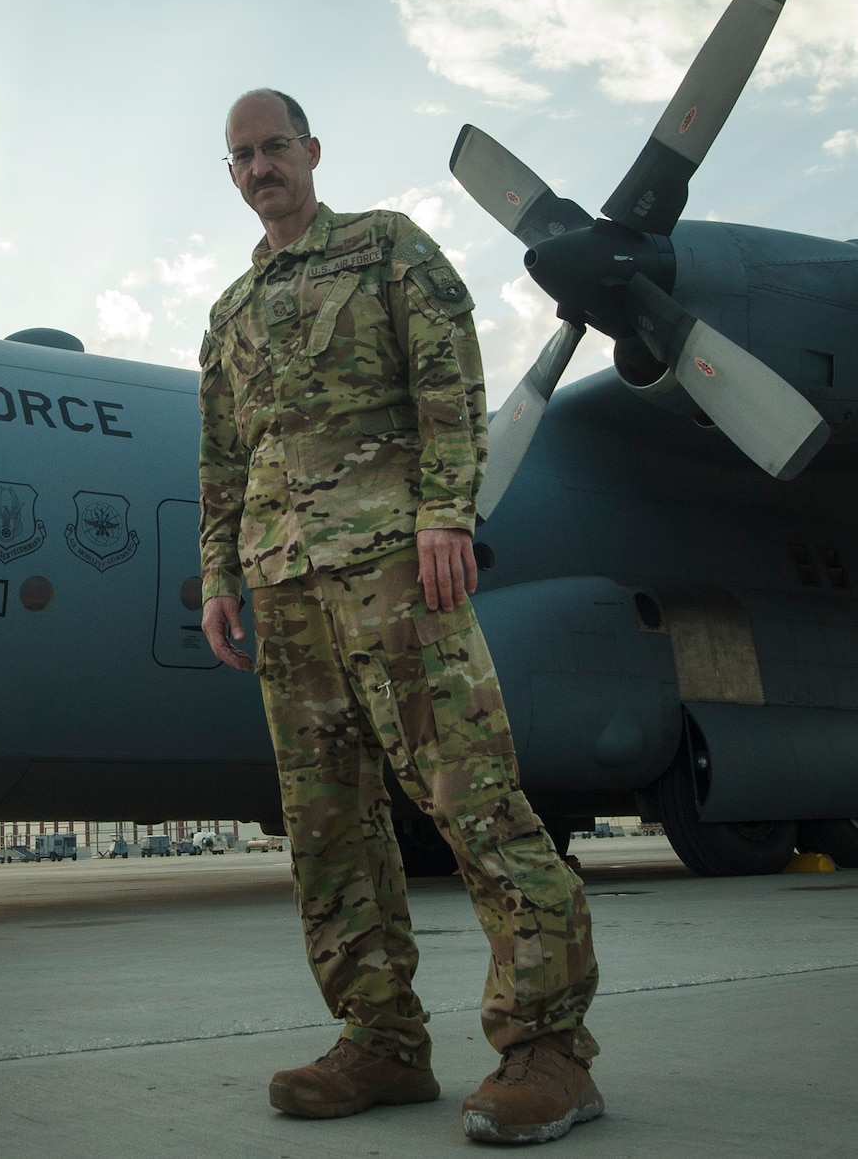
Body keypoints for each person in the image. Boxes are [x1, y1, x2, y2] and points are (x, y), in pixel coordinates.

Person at [198, 89, 602, 1145]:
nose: (257, 167)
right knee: (325, 826)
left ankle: (547, 1045)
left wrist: (441, 512)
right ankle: (378, 1039)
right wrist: (215, 574)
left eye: (272, 146)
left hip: (394, 569)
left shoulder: (384, 249)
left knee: (469, 796)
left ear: (310, 151)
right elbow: (220, 462)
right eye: (239, 156)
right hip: (283, 590)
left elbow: (447, 381)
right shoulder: (228, 315)